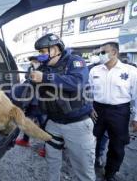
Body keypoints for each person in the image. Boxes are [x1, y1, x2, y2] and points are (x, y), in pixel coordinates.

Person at [30, 33, 96, 181]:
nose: (40, 55)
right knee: (52, 161)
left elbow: (76, 82)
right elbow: (37, 93)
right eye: (39, 52)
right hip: (53, 122)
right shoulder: (43, 68)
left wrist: (45, 78)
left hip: (77, 124)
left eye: (42, 51)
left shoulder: (75, 61)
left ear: (54, 49)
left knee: (83, 168)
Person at [89, 42, 137, 181]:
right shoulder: (94, 71)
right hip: (97, 110)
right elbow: (88, 92)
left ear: (114, 52)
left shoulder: (131, 71)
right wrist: (90, 106)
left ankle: (110, 173)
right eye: (99, 52)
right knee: (92, 139)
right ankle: (92, 164)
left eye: (103, 52)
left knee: (117, 145)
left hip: (119, 111)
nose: (100, 55)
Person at [15, 56, 46, 148]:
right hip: (31, 102)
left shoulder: (45, 70)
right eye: (32, 61)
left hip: (42, 102)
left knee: (45, 125)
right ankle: (25, 140)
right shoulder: (31, 69)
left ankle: (47, 147)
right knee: (28, 121)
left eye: (35, 61)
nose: (33, 63)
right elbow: (27, 79)